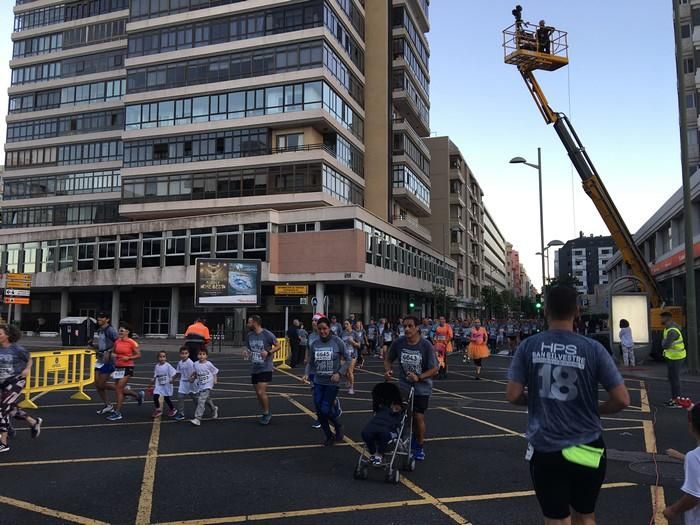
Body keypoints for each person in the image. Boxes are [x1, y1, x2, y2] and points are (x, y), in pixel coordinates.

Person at [506, 286, 630, 525]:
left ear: (546, 312)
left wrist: (535, 400)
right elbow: (622, 399)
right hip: (587, 446)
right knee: (585, 514)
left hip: (547, 447)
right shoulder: (593, 348)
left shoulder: (528, 346)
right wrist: (597, 409)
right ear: (577, 312)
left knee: (556, 517)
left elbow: (512, 395)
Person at [384, 315, 439, 462]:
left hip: (421, 387)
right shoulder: (399, 343)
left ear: (417, 328)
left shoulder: (426, 345)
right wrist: (388, 370)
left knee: (417, 416)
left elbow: (435, 369)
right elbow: (389, 358)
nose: (406, 329)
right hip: (404, 385)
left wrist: (419, 377)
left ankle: (419, 445)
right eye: (404, 326)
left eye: (410, 326)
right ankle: (401, 438)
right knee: (399, 413)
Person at [304, 317, 349, 446]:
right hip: (318, 382)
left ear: (329, 328)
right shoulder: (315, 344)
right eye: (320, 329)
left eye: (324, 328)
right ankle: (329, 436)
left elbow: (348, 359)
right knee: (320, 412)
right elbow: (310, 363)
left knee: (324, 410)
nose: (322, 331)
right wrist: (306, 374)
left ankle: (338, 425)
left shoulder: (337, 341)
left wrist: (339, 373)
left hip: (332, 383)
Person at [0, 325, 42, 453]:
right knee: (10, 409)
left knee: (2, 408)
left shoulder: (17, 349)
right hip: (2, 381)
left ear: (7, 335)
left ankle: (3, 442)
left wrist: (27, 368)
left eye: (0, 333)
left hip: (16, 381)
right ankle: (33, 422)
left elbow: (29, 359)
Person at [663, 403, 700, 523]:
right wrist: (682, 457)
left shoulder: (694, 457)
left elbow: (694, 496)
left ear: (691, 426)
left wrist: (673, 510)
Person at [245, 315, 279, 425]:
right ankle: (265, 410)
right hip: (255, 366)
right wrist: (247, 352)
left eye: (249, 322)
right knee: (258, 394)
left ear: (255, 323)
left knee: (261, 391)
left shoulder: (267, 334)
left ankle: (267, 412)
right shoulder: (249, 335)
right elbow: (248, 348)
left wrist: (268, 352)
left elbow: (278, 346)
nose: (247, 324)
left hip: (266, 366)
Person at [106, 324, 144, 422]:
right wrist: (112, 354)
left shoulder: (132, 342)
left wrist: (129, 357)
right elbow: (113, 352)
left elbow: (139, 355)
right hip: (118, 367)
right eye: (119, 331)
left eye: (122, 331)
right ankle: (137, 395)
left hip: (128, 367)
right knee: (119, 388)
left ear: (127, 332)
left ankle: (117, 412)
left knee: (119, 388)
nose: (120, 332)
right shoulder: (117, 341)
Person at [362, 382, 403, 466]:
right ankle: (373, 453)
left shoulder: (397, 412)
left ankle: (380, 454)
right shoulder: (381, 409)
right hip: (376, 425)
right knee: (365, 433)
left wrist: (396, 410)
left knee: (384, 435)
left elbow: (397, 423)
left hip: (388, 428)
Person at [89, 312, 119, 415]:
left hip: (108, 360)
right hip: (100, 359)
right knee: (97, 385)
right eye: (98, 318)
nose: (99, 319)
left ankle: (125, 391)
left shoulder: (110, 330)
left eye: (102, 318)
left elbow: (118, 343)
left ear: (107, 319)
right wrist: (93, 345)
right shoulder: (99, 330)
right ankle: (108, 405)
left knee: (102, 384)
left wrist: (109, 351)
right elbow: (102, 345)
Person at [661, 311, 688, 408]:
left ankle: (677, 400)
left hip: (677, 357)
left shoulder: (672, 331)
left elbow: (665, 345)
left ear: (666, 319)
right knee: (672, 378)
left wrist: (663, 343)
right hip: (672, 357)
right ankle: (674, 399)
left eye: (662, 318)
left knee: (675, 379)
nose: (661, 320)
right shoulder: (668, 329)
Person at [190, 348, 219, 426]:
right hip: (201, 384)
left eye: (203, 354)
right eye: (200, 354)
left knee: (201, 400)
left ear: (206, 356)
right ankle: (214, 408)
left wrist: (215, 379)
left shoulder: (208, 364)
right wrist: (192, 377)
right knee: (207, 399)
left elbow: (214, 371)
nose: (201, 356)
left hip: (208, 384)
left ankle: (198, 418)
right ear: (197, 355)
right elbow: (196, 372)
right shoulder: (195, 364)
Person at [151, 351, 177, 418]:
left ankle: (173, 409)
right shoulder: (157, 366)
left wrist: (172, 379)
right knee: (155, 396)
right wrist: (153, 379)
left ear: (166, 358)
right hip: (159, 384)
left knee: (166, 398)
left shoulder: (167, 365)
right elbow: (156, 374)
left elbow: (174, 373)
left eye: (163, 356)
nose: (162, 358)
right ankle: (158, 410)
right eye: (160, 357)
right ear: (158, 358)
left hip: (166, 384)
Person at [174, 346, 196, 421]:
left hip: (191, 383)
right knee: (180, 397)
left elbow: (195, 372)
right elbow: (178, 372)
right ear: (180, 354)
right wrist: (173, 379)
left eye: (186, 353)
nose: (184, 355)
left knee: (195, 398)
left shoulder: (190, 363)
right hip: (183, 382)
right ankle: (181, 413)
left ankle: (202, 409)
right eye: (182, 353)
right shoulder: (180, 363)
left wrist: (192, 378)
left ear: (188, 354)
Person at [340, 320, 360, 395]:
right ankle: (348, 380)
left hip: (353, 354)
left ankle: (351, 387)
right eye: (344, 324)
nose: (345, 325)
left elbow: (359, 345)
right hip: (344, 355)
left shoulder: (354, 333)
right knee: (343, 370)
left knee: (350, 371)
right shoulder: (342, 333)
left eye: (347, 324)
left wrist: (353, 342)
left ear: (351, 324)